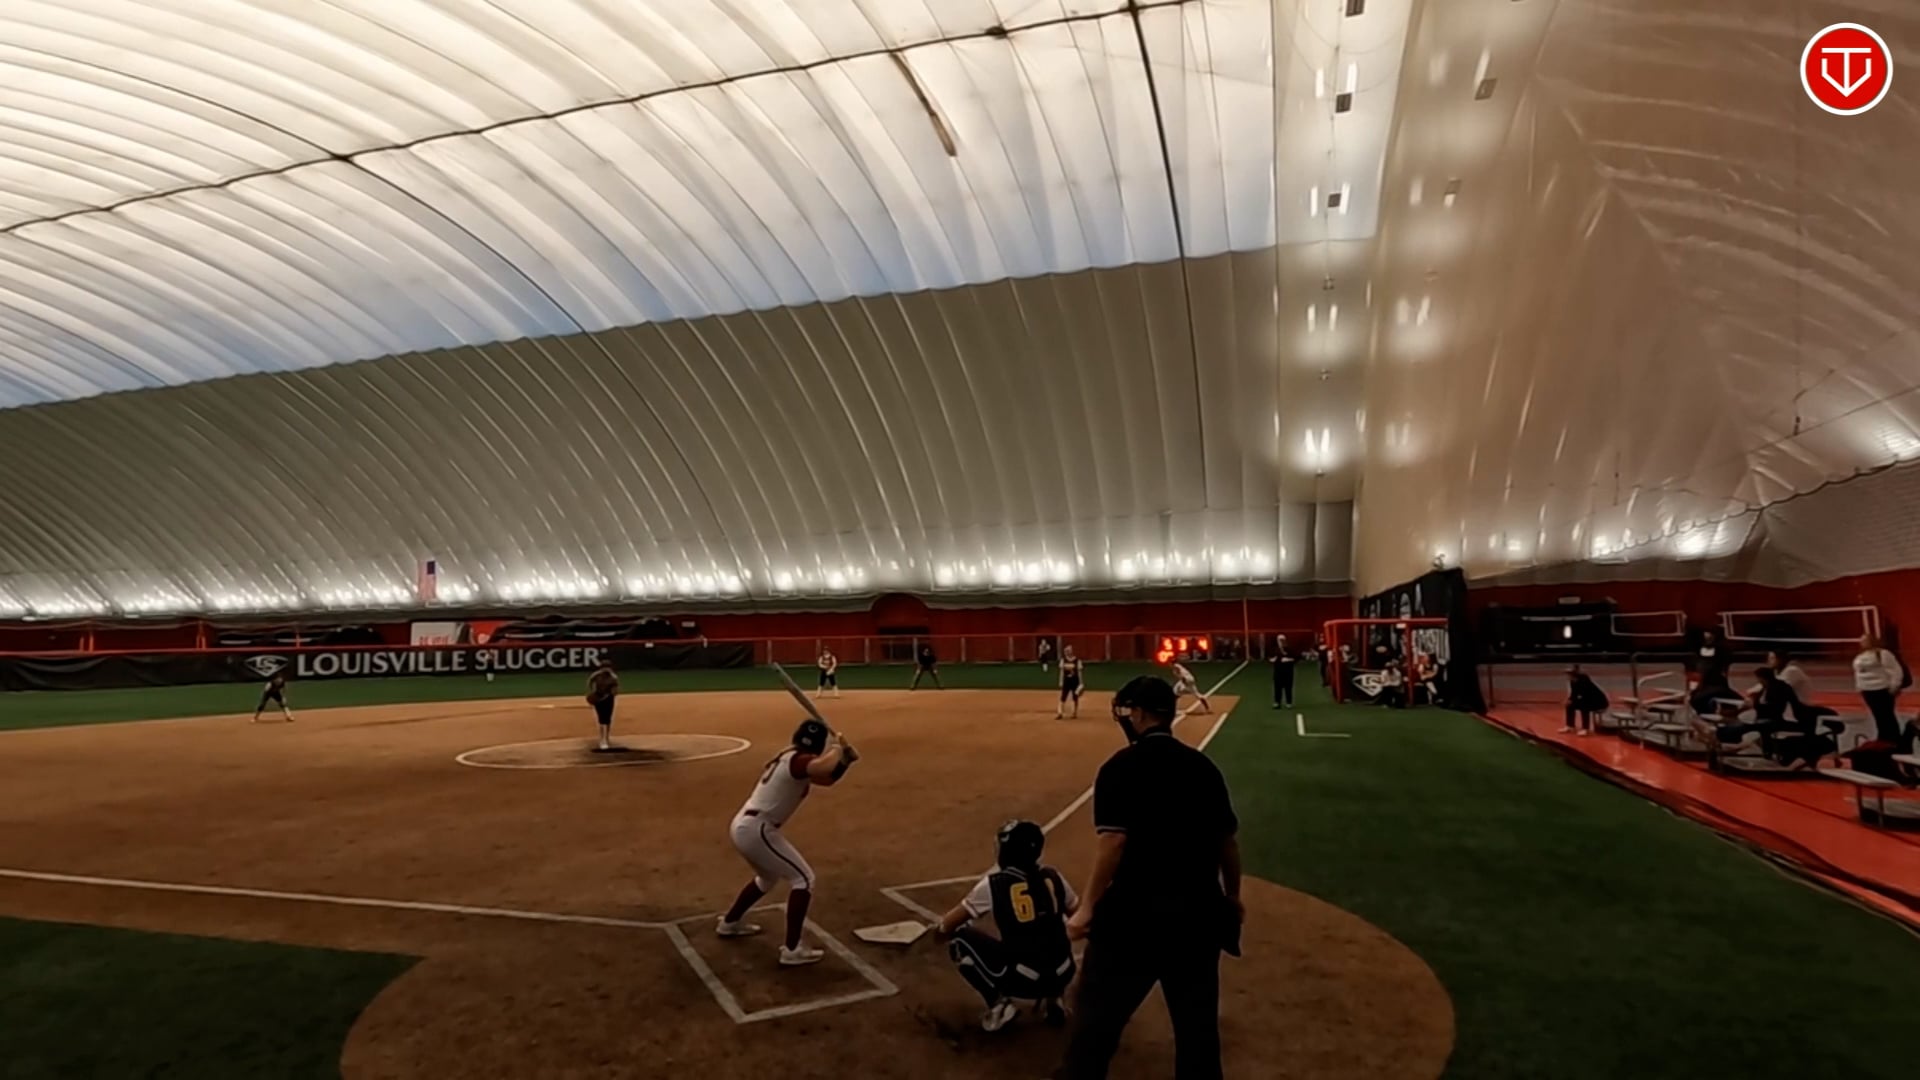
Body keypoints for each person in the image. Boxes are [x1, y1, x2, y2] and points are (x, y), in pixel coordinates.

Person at [1056, 676, 1239, 1080]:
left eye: (1128, 710)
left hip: (1134, 918)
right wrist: (1232, 897)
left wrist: (1086, 908)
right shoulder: (1203, 767)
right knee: (1198, 1035)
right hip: (1198, 915)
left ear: (1139, 714)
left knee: (1094, 1029)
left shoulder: (1120, 767)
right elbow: (1226, 842)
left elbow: (1114, 841)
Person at [716, 719, 859, 966]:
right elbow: (823, 766)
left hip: (746, 827)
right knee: (804, 879)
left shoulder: (791, 758)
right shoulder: (797, 760)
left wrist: (845, 761)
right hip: (757, 829)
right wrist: (838, 748)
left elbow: (826, 778)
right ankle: (792, 950)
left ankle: (730, 923)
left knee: (767, 879)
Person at [933, 820, 1078, 1033]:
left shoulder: (993, 884)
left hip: (1023, 980)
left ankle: (999, 1005)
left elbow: (949, 924)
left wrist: (938, 932)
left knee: (959, 939)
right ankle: (1055, 999)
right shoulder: (1054, 877)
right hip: (1064, 972)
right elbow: (1078, 916)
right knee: (1048, 937)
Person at [1852, 633, 1907, 744]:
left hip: (1882, 689)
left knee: (1887, 715)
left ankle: (1894, 739)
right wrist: (1859, 687)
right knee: (1877, 715)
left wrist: (1895, 685)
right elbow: (1858, 673)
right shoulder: (1860, 656)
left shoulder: (1883, 654)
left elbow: (1895, 670)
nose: (1862, 642)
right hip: (1867, 690)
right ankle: (1882, 737)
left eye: (1865, 640)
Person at [1561, 666, 1607, 735]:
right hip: (1587, 700)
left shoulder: (1584, 680)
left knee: (1584, 707)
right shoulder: (1573, 682)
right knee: (1570, 706)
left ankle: (1585, 729)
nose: (1567, 677)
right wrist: (1569, 700)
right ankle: (1570, 726)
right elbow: (1574, 694)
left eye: (1568, 674)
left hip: (1598, 702)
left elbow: (1586, 695)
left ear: (1573, 674)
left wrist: (1575, 700)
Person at [586, 660, 620, 751]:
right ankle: (602, 739)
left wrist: (612, 693)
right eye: (604, 667)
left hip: (609, 699)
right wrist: (592, 691)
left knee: (608, 719)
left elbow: (615, 691)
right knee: (601, 719)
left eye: (607, 667)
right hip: (598, 698)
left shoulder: (613, 677)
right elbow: (590, 681)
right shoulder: (596, 675)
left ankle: (607, 737)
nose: (605, 669)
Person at [1057, 646, 1085, 719]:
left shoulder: (1077, 661)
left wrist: (1081, 683)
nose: (1066, 652)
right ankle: (1060, 713)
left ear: (1071, 651)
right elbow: (1061, 672)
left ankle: (1074, 713)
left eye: (1068, 651)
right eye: (1065, 651)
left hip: (1075, 681)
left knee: (1075, 697)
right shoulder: (1063, 660)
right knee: (1063, 696)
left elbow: (1079, 672)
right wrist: (1060, 681)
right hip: (1066, 681)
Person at [1270, 635, 1296, 709]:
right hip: (1278, 672)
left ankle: (1288, 702)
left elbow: (1296, 658)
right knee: (1277, 687)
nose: (1280, 642)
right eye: (1279, 640)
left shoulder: (1290, 649)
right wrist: (1272, 660)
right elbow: (1270, 658)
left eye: (1282, 640)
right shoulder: (1275, 650)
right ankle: (1277, 702)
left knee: (1288, 687)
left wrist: (1288, 660)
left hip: (1288, 672)